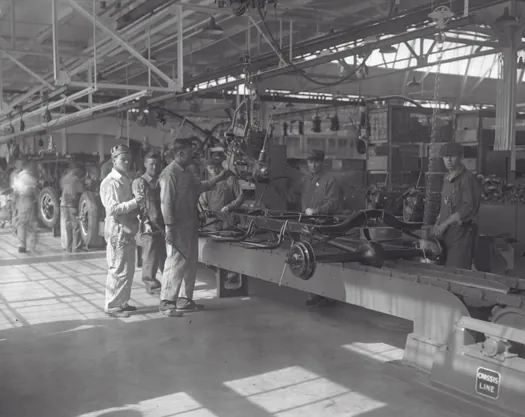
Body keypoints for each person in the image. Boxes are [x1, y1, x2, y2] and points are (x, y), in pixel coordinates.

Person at [159, 137, 232, 316]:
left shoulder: (186, 173)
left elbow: (199, 187)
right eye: (190, 151)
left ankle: (185, 299)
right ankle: (167, 301)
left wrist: (219, 178)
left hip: (190, 224)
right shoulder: (169, 174)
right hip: (176, 226)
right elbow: (165, 203)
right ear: (181, 152)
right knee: (176, 261)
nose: (193, 154)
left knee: (190, 262)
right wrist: (169, 228)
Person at [291, 149, 341, 308]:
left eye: (316, 161)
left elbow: (332, 203)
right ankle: (314, 294)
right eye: (310, 161)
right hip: (307, 226)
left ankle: (330, 296)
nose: (313, 164)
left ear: (322, 162)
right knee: (308, 261)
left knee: (324, 261)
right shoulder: (305, 180)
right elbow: (293, 194)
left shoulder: (329, 179)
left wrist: (317, 211)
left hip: (323, 226)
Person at [100, 145, 144, 318]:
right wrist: (135, 202)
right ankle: (112, 305)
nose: (126, 162)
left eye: (128, 159)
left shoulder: (124, 180)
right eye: (122, 159)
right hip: (117, 231)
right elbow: (113, 208)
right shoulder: (110, 182)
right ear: (114, 160)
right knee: (117, 269)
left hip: (127, 230)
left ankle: (122, 303)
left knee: (127, 270)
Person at [432, 142, 481, 269]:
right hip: (445, 235)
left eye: (452, 156)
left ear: (461, 157)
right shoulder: (446, 179)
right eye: (445, 156)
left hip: (461, 236)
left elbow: (468, 207)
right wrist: (437, 223)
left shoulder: (468, 179)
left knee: (456, 273)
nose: (448, 160)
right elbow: (444, 205)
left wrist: (444, 224)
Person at [199, 156, 245, 286]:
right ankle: (220, 272)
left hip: (227, 220)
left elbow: (240, 196)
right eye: (210, 169)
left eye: (214, 168)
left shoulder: (230, 179)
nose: (212, 171)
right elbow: (202, 198)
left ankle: (230, 274)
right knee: (211, 251)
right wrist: (204, 207)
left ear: (220, 167)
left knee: (228, 249)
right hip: (211, 221)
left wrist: (230, 206)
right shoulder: (209, 181)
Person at [132, 151, 165, 295]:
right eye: (151, 164)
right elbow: (139, 205)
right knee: (150, 257)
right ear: (145, 164)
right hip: (148, 226)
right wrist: (145, 222)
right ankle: (151, 285)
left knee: (164, 256)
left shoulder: (161, 181)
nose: (154, 167)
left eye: (157, 164)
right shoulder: (139, 182)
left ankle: (169, 282)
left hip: (163, 224)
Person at [12, 160, 39, 253]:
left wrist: (14, 205)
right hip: (29, 201)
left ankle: (21, 244)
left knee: (21, 224)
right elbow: (35, 192)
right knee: (31, 224)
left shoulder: (18, 177)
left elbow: (15, 192)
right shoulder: (31, 178)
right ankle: (32, 246)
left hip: (20, 201)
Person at [60, 166, 85, 253]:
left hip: (63, 205)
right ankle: (76, 247)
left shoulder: (66, 178)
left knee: (68, 226)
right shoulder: (75, 179)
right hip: (72, 205)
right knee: (76, 226)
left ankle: (68, 247)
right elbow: (81, 191)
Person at [9, 158, 24, 236]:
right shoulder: (17, 175)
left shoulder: (13, 174)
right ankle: (15, 230)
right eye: (20, 164)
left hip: (15, 195)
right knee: (16, 213)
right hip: (17, 195)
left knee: (15, 213)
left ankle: (15, 230)